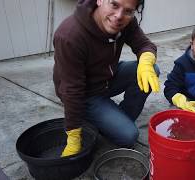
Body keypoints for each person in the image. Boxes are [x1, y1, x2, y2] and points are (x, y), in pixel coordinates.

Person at [53, 0, 160, 157]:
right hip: (84, 92)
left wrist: (146, 60)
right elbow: (71, 89)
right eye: (114, 5)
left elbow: (144, 44)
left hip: (107, 77)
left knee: (152, 69)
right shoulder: (70, 35)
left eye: (128, 11)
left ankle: (121, 118)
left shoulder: (126, 21)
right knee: (129, 136)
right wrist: (74, 136)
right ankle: (98, 119)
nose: (119, 16)